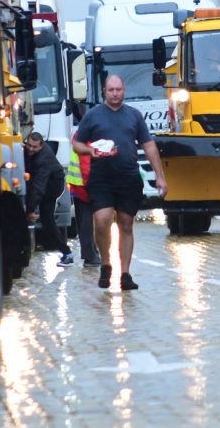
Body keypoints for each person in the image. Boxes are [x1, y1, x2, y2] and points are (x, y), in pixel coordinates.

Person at [73, 74, 168, 290]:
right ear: (104, 92)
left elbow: (149, 146)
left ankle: (125, 274)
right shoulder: (93, 115)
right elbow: (77, 144)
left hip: (128, 177)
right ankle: (106, 264)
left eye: (119, 90)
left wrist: (160, 176)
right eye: (111, 90)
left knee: (126, 224)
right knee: (102, 221)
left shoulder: (134, 116)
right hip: (101, 178)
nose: (115, 94)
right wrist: (91, 151)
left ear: (124, 91)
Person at [24, 131, 73, 266]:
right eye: (29, 145)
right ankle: (66, 253)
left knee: (47, 220)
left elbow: (38, 187)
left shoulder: (43, 159)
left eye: (34, 147)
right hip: (47, 184)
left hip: (52, 188)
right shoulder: (29, 151)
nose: (31, 149)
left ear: (41, 146)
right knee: (47, 221)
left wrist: (31, 210)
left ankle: (67, 254)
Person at [67, 131, 101, 266]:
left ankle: (91, 253)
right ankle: (90, 256)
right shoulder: (89, 136)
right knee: (86, 220)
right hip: (84, 183)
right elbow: (86, 163)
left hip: (77, 183)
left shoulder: (80, 134)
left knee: (83, 221)